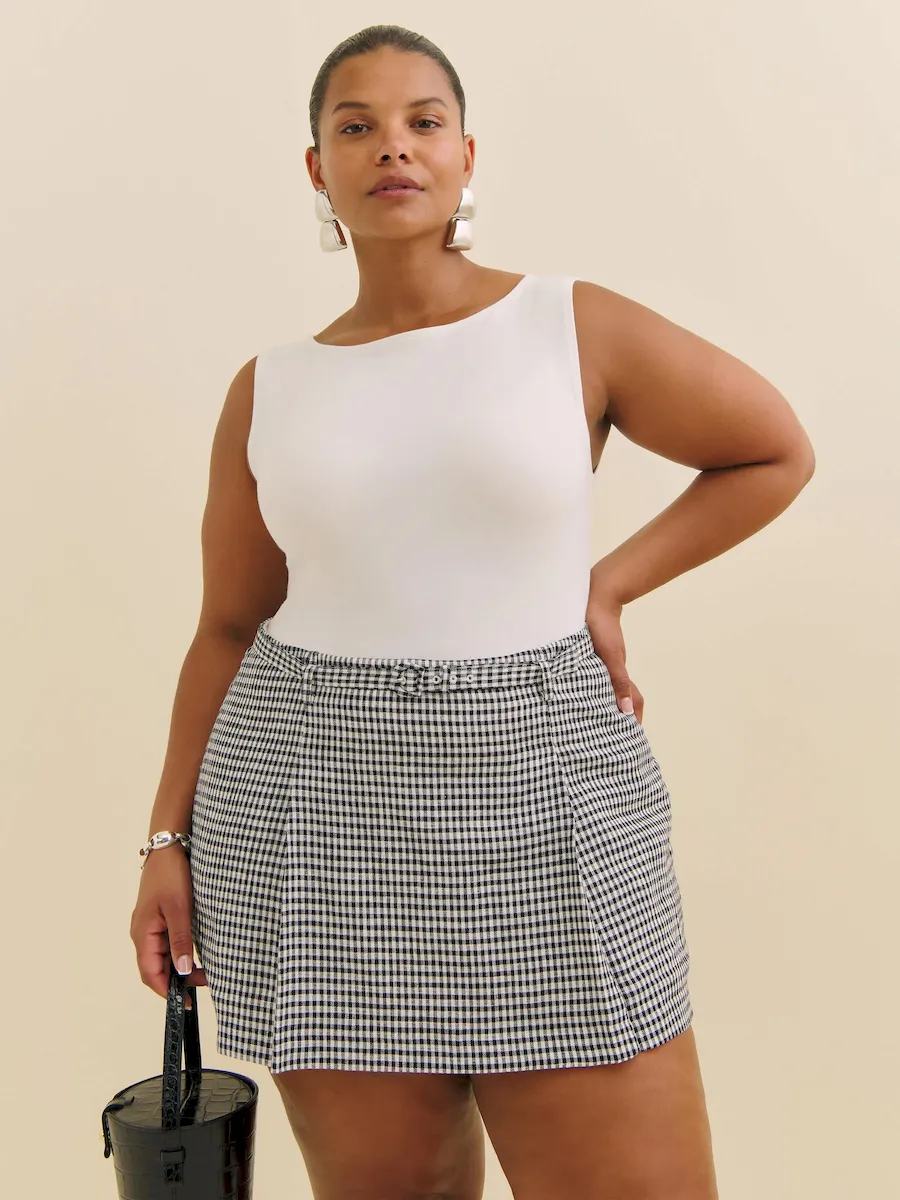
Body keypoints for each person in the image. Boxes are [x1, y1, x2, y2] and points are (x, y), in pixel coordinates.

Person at [130, 23, 815, 1200]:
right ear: (318, 169)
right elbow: (230, 627)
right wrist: (164, 840)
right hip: (316, 811)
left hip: (547, 796)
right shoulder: (272, 387)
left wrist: (608, 583)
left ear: (466, 154)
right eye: (357, 126)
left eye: (423, 121)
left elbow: (771, 450)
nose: (393, 146)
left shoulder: (568, 324)